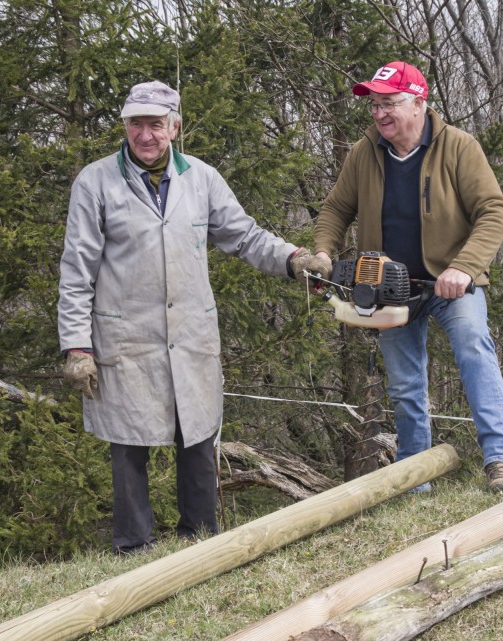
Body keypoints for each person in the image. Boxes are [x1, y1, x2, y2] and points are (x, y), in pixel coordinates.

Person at [58, 80, 330, 555]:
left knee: (198, 437)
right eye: (136, 123)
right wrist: (77, 347)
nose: (146, 134)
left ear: (175, 127)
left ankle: (201, 541)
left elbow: (244, 236)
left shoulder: (202, 178)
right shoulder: (95, 181)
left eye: (156, 124)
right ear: (125, 126)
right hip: (127, 335)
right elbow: (77, 269)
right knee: (128, 445)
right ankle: (133, 546)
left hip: (190, 333)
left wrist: (293, 258)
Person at [313, 62, 503, 493]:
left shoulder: (459, 147)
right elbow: (336, 209)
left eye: (389, 103)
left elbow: (494, 211)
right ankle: (416, 478)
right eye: (374, 104)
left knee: (473, 350)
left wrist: (463, 267)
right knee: (406, 385)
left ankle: (501, 461)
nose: (379, 113)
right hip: (390, 289)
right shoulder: (364, 152)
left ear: (419, 103)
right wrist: (322, 253)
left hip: (452, 285)